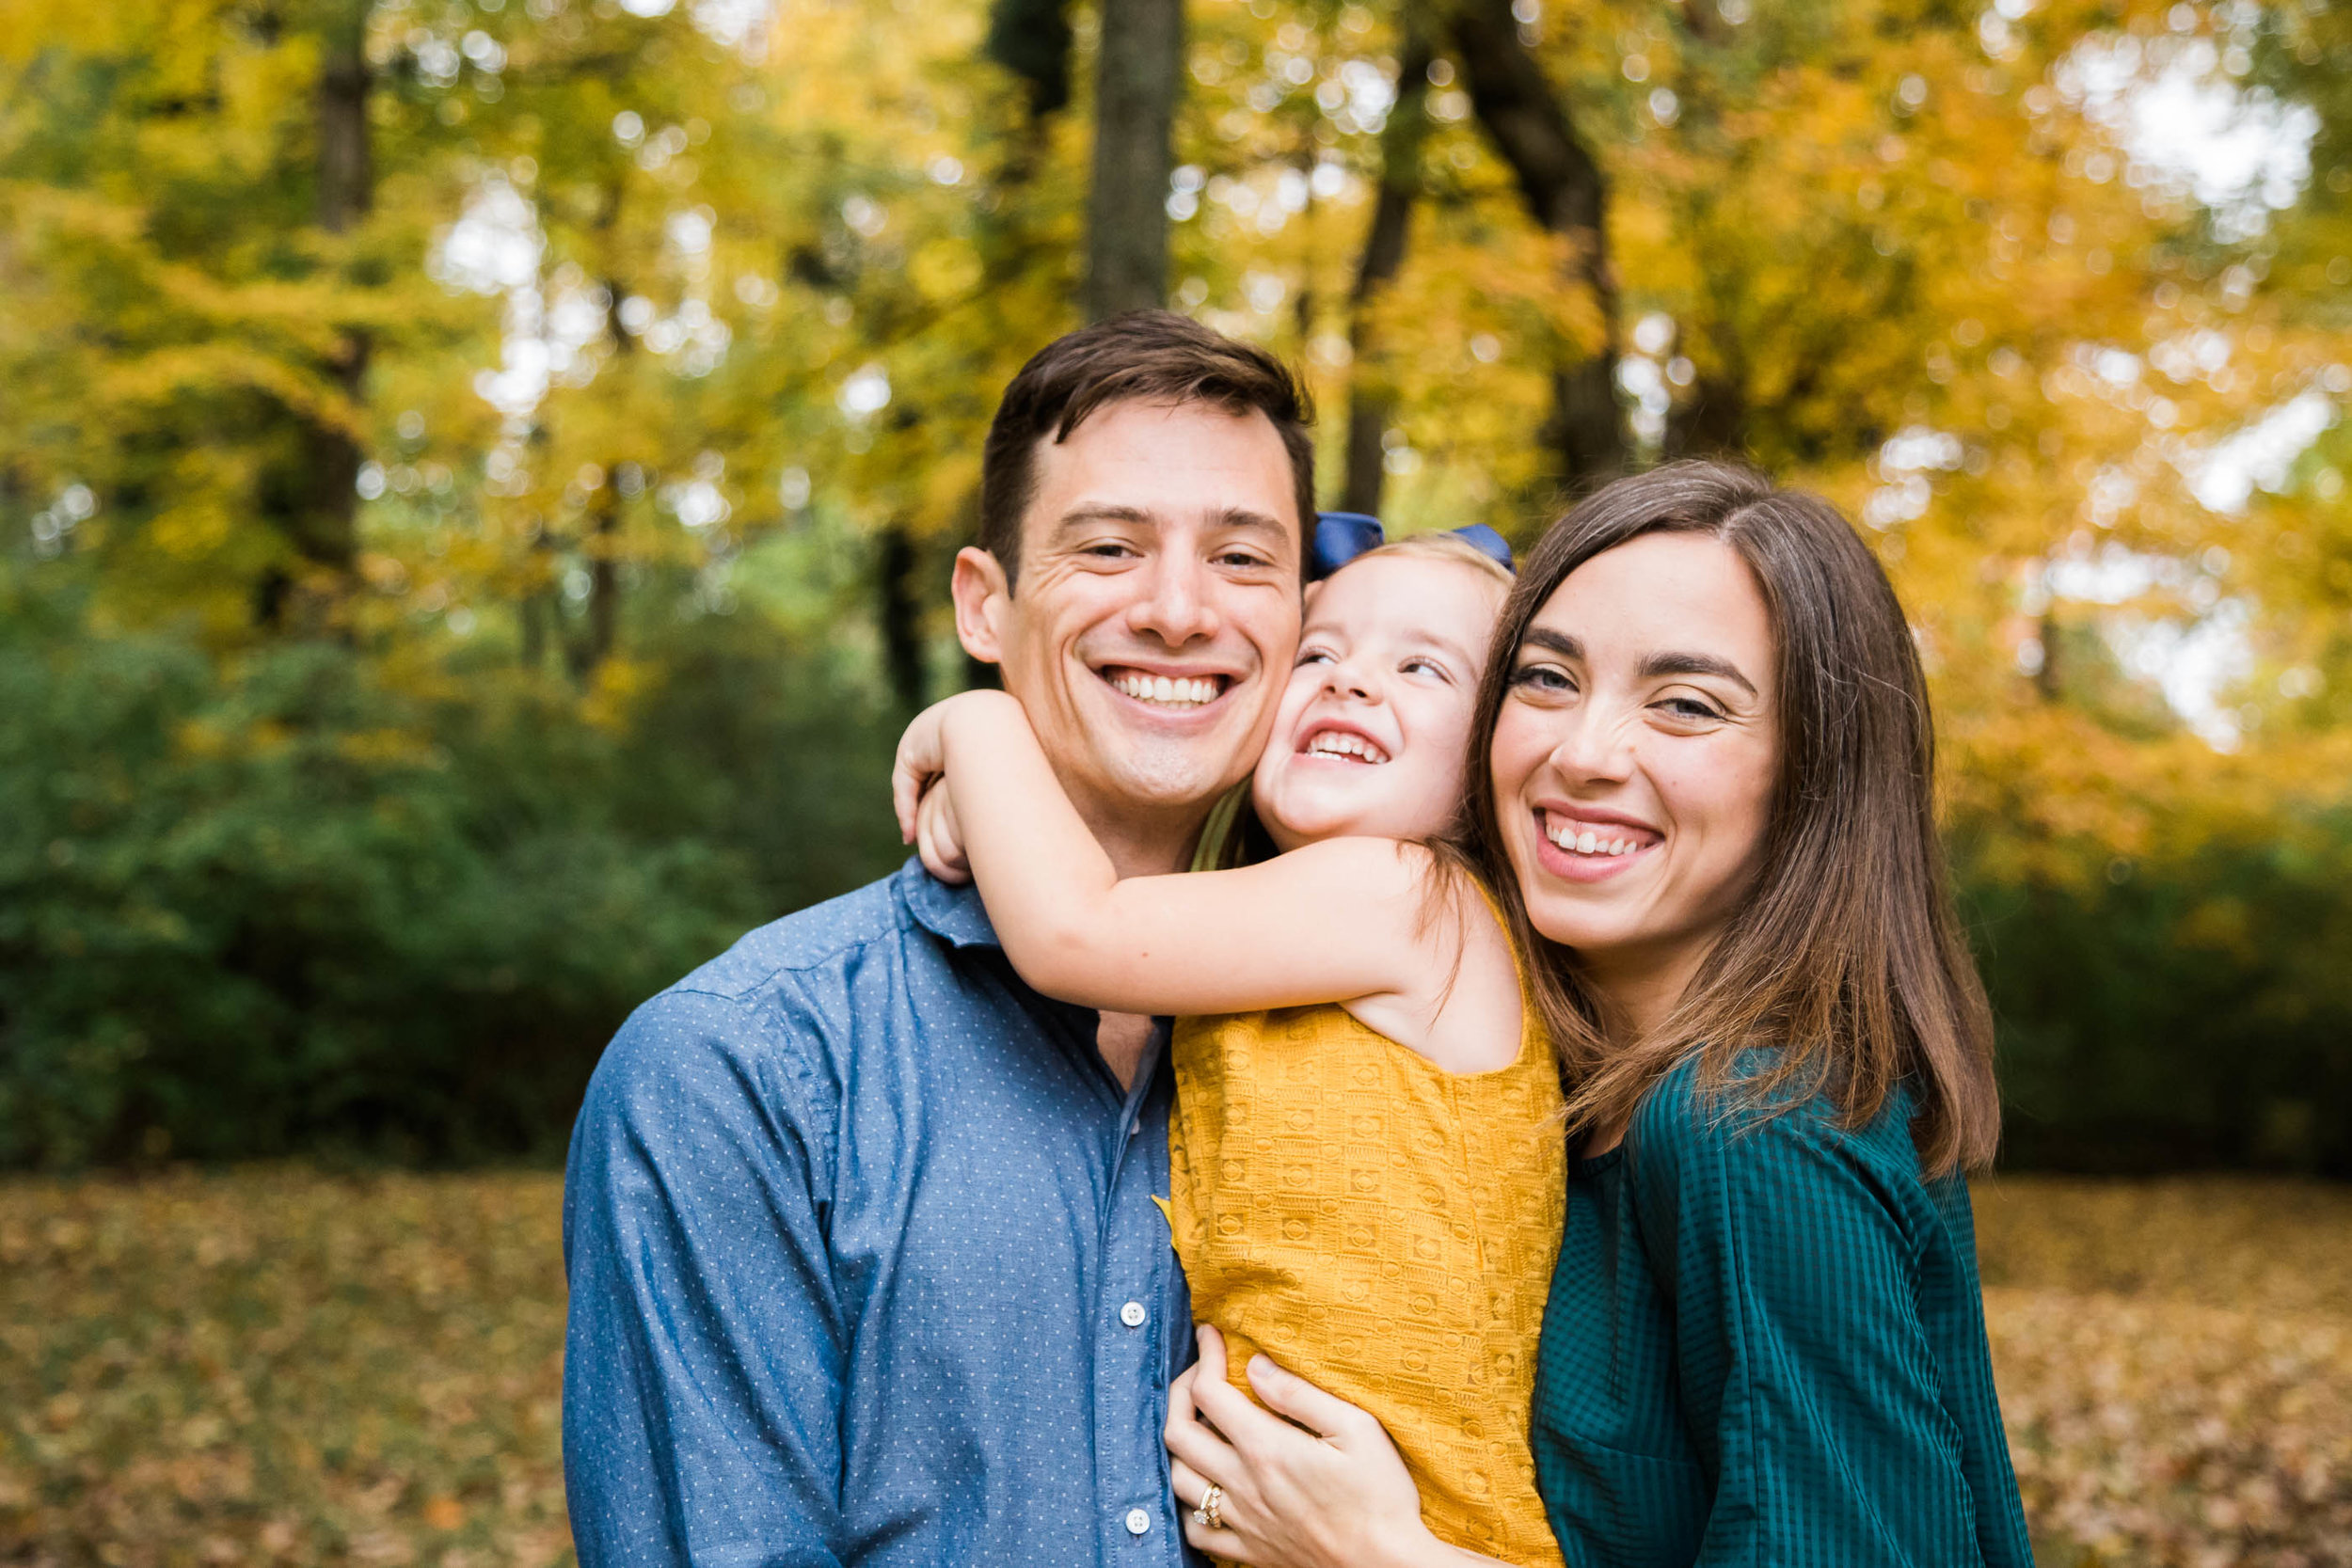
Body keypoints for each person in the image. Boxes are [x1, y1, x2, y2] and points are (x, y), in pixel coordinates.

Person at [1162, 462, 2034, 1568]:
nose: (1581, 751)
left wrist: (1377, 1552)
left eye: (1685, 704)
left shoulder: (1755, 1128)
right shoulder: (1527, 1078)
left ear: (1818, 770)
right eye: (1544, 678)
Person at [560, 309, 1312, 1566]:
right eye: (1110, 546)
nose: (1181, 610)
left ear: (1301, 616)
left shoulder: (1386, 1033)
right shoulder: (737, 1071)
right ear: (984, 601)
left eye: (1243, 559)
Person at [894, 530, 1565, 1568]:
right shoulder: (1276, 934)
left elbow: (1077, 927)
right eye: (1317, 652)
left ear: (1493, 755)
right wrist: (1001, 818)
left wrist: (980, 732)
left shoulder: (1409, 898)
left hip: (1425, 1529)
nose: (1351, 681)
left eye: (1420, 666)